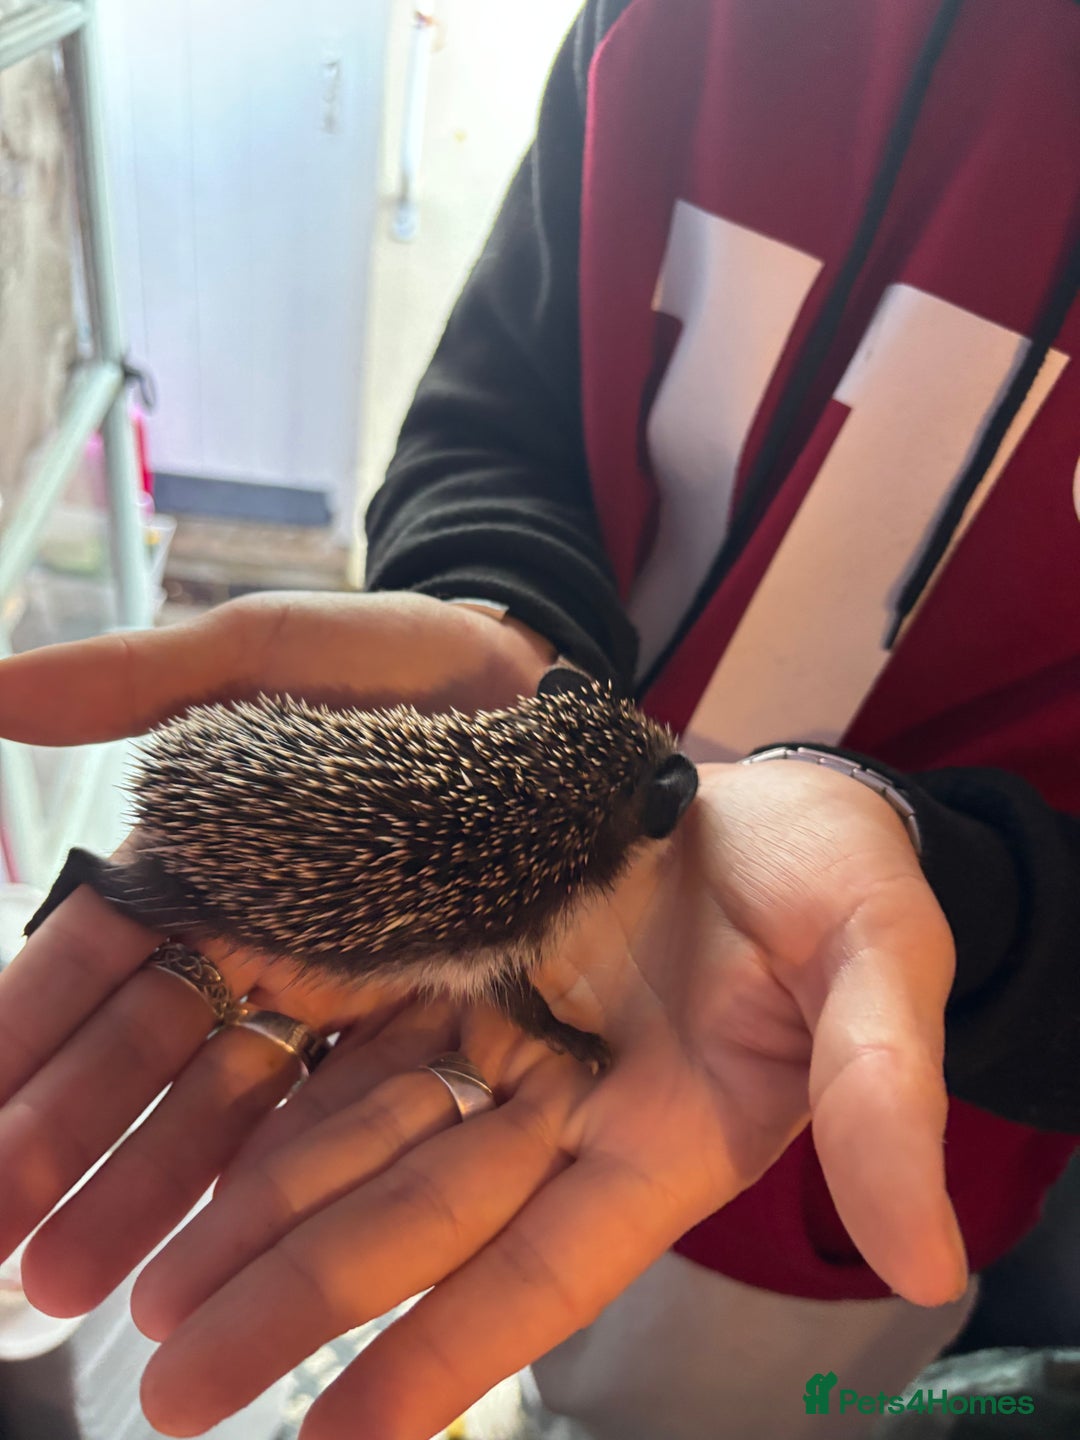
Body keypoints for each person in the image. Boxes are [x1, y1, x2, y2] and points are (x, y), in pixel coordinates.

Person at [0, 0, 1077, 1436]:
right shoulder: (659, 29)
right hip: (572, 1083)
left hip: (881, 1163)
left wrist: (985, 921)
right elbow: (500, 415)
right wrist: (502, 609)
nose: (683, 784)